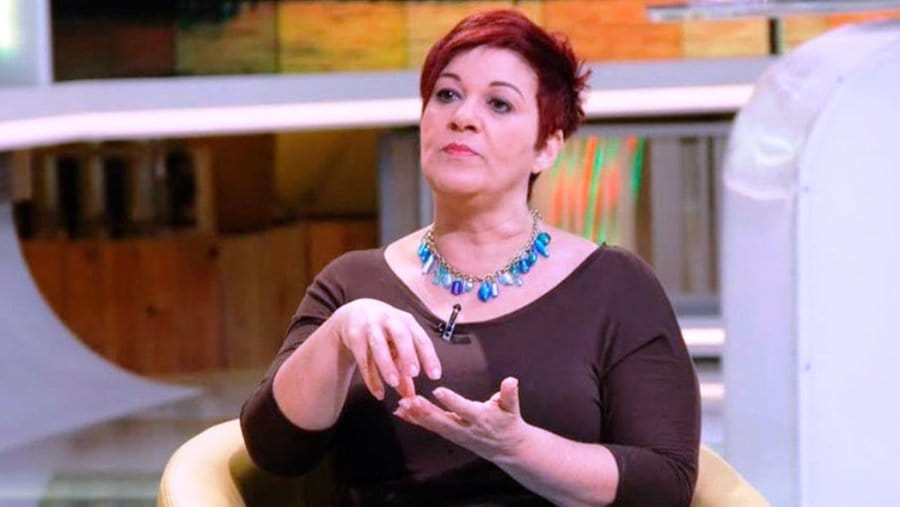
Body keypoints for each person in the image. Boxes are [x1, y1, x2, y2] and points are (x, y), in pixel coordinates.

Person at [241, 9, 700, 506]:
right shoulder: (352, 283)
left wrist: (517, 447)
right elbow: (274, 452)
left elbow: (665, 481)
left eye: (499, 104)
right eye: (447, 95)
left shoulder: (616, 286)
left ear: (546, 147)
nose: (461, 117)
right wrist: (338, 337)